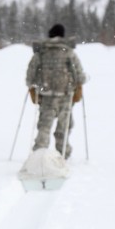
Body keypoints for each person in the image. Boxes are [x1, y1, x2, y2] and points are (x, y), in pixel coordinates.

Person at [26, 23, 87, 158]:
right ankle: (63, 154)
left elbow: (30, 75)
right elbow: (79, 75)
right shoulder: (68, 52)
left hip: (46, 97)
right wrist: (79, 86)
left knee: (44, 127)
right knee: (63, 128)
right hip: (65, 96)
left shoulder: (41, 52)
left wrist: (32, 88)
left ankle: (39, 155)